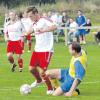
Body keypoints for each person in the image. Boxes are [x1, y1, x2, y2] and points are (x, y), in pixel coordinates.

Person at [25, 6, 57, 95]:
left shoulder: (44, 19)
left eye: (31, 16)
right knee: (31, 69)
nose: (30, 18)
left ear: (36, 14)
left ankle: (51, 88)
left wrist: (44, 29)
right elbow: (32, 29)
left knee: (43, 71)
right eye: (29, 17)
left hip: (47, 49)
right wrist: (26, 33)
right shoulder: (34, 23)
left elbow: (55, 26)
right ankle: (39, 80)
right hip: (37, 49)